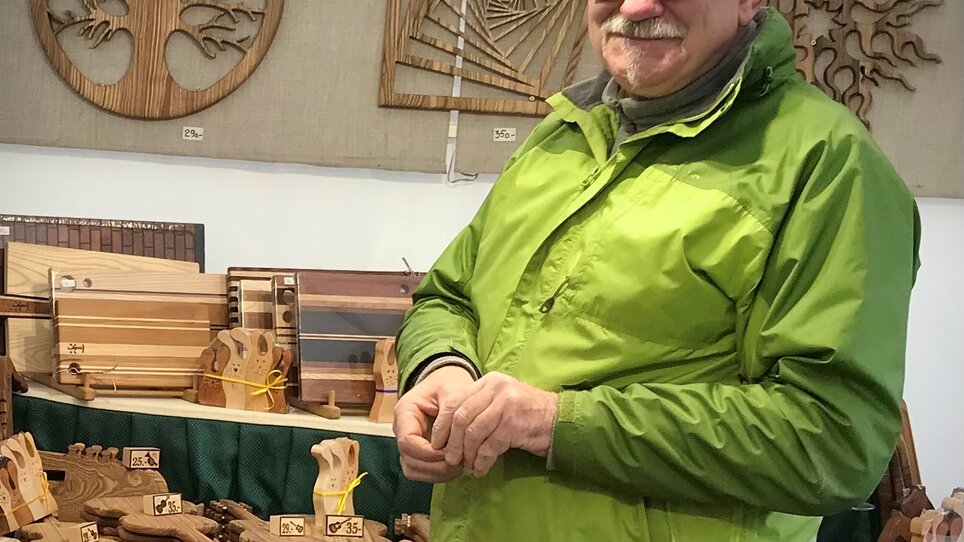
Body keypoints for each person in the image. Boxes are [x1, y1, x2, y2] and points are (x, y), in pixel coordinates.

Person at [393, 0, 921, 540]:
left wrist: (556, 422)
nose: (638, 6)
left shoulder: (830, 163)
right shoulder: (563, 133)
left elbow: (832, 441)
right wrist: (441, 367)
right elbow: (449, 296)